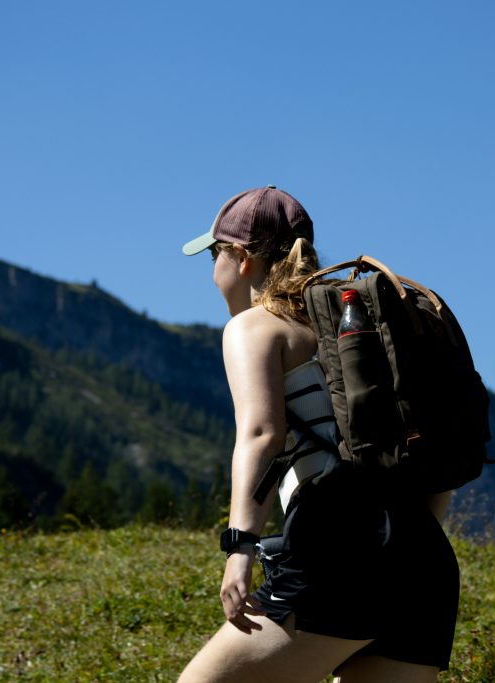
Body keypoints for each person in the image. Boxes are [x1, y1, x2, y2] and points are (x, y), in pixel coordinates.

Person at [178, 186, 459, 683]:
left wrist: (239, 547)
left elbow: (262, 433)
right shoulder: (372, 331)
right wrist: (408, 545)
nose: (212, 270)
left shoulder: (255, 327)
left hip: (340, 542)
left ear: (241, 259)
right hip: (425, 560)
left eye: (214, 254)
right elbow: (432, 451)